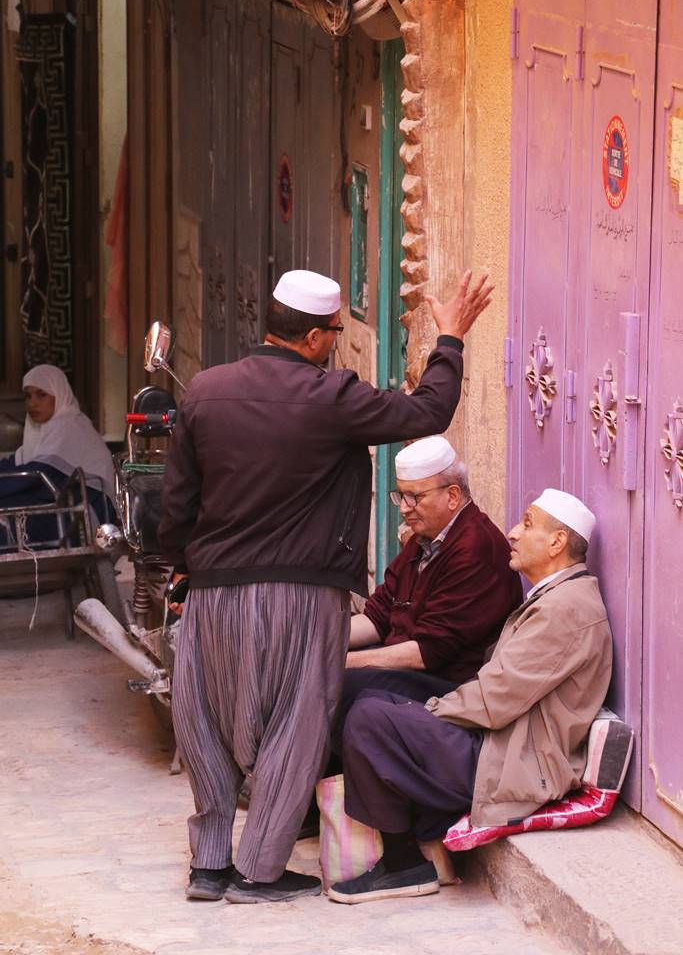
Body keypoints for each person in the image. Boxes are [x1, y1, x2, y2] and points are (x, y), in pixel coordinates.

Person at [158, 267, 493, 904]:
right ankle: (257, 870)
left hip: (214, 587)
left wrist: (180, 569)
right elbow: (429, 409)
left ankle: (208, 867)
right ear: (315, 337)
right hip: (300, 593)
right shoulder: (330, 396)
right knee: (298, 719)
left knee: (202, 717)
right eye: (335, 333)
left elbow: (179, 499)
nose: (334, 344)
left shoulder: (205, 391)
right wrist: (449, 337)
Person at [329, 488, 612, 905]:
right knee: (375, 704)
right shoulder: (557, 598)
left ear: (556, 543)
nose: (512, 533)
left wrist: (429, 711)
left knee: (372, 718)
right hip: (499, 740)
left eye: (527, 525)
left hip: (511, 759)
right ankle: (416, 842)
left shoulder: (565, 609)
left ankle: (404, 863)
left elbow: (494, 701)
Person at [334, 434, 522, 749]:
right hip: (413, 666)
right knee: (314, 676)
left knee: (336, 685)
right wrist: (317, 643)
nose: (405, 509)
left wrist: (337, 662)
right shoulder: (424, 541)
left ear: (452, 496)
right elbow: (378, 616)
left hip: (451, 685)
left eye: (414, 498)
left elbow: (429, 652)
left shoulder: (475, 547)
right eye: (401, 497)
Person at [0, 365, 116, 544]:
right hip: (63, 505)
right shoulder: (40, 432)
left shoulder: (69, 427)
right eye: (28, 396)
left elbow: (39, 477)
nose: (32, 403)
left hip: (85, 513)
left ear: (59, 394)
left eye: (41, 394)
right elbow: (14, 465)